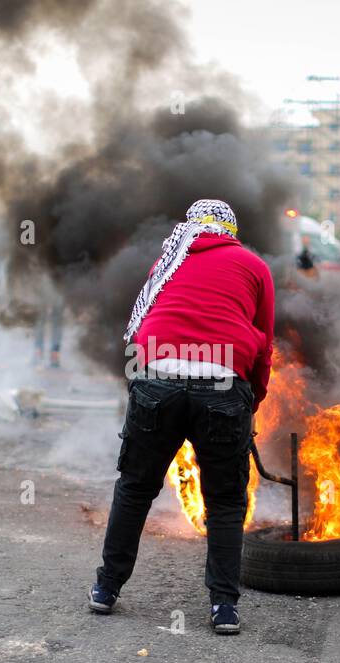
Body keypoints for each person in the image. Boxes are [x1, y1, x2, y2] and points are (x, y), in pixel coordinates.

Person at [89, 199, 274, 635]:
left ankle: (106, 589)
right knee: (226, 502)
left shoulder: (168, 259)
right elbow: (264, 342)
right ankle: (223, 608)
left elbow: (139, 329)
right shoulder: (253, 265)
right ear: (230, 230)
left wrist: (140, 388)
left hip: (157, 379)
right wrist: (253, 401)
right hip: (223, 386)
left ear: (190, 226)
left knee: (135, 489)